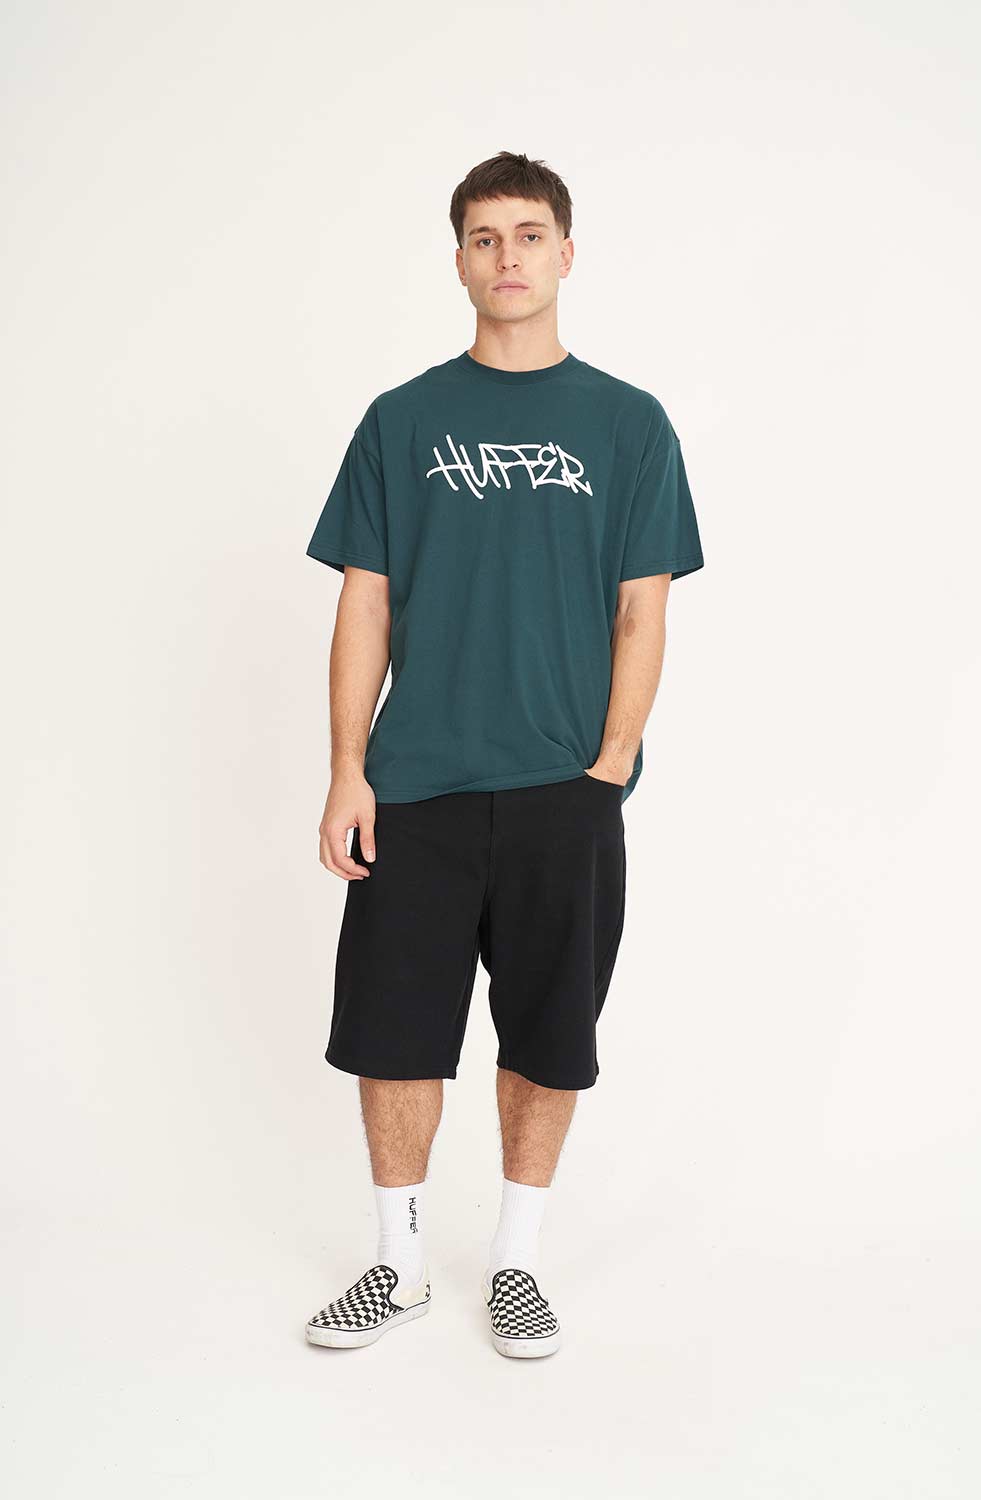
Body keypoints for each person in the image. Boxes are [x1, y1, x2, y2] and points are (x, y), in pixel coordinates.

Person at [303, 151, 705, 1358]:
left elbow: (642, 611)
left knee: (546, 1036)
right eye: (485, 238)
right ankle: (398, 1267)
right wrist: (347, 769)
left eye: (529, 235)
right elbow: (364, 605)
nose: (508, 256)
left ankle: (515, 1264)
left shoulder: (627, 424)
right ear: (459, 261)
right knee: (393, 1034)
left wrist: (608, 767)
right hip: (415, 785)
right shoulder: (401, 421)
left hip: (560, 792)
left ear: (566, 254)